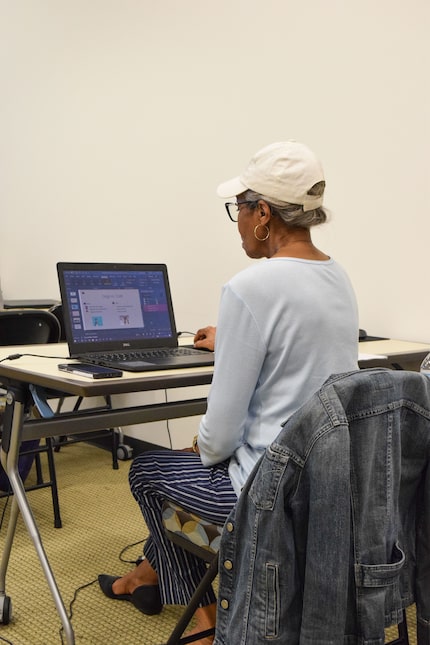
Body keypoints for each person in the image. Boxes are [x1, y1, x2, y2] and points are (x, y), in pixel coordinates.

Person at [98, 140, 359, 642]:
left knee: (150, 470)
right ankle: (145, 578)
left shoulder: (249, 287)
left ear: (262, 213)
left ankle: (205, 619)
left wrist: (198, 446)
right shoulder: (337, 276)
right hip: (326, 484)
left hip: (266, 491)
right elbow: (295, 346)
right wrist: (233, 340)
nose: (236, 219)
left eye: (238, 207)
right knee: (184, 472)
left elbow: (218, 441)